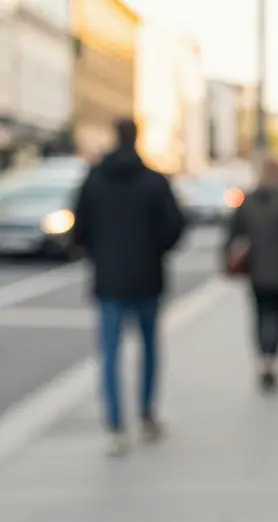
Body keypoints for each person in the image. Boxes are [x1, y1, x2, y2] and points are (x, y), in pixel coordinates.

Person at [70, 117, 186, 457]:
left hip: (109, 278)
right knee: (149, 348)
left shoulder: (95, 179)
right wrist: (154, 250)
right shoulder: (153, 181)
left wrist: (99, 254)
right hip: (147, 275)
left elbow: (79, 229)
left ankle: (116, 425)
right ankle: (147, 414)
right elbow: (174, 226)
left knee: (109, 352)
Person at [223, 159, 278, 393]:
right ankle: (273, 362)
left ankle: (262, 361)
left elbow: (232, 234)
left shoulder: (248, 202)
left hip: (256, 269)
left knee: (259, 315)